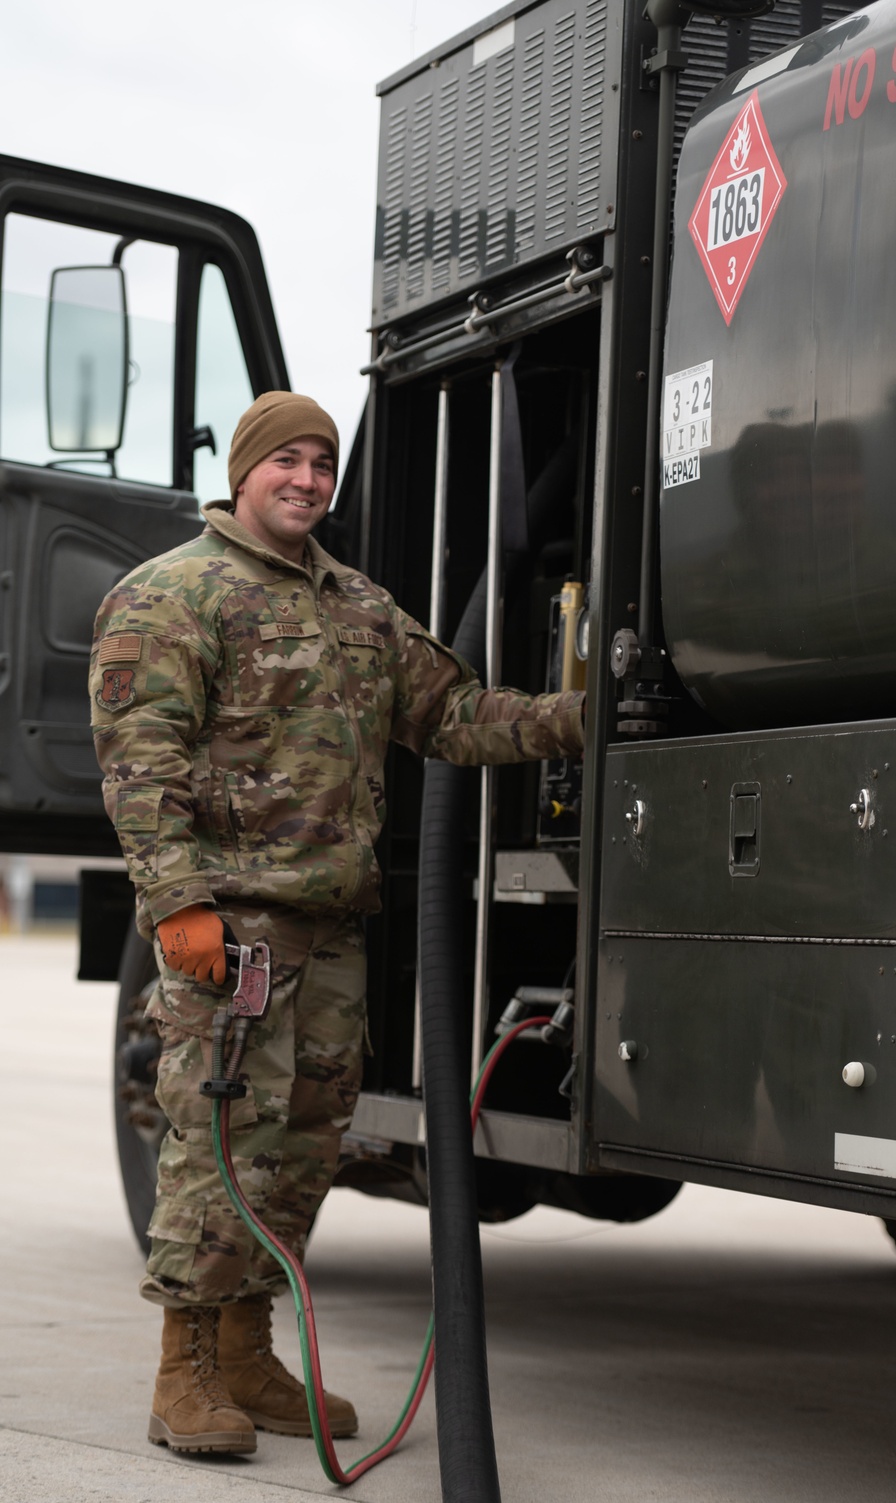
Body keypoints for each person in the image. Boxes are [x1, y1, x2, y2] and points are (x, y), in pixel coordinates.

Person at [90, 391, 585, 1458]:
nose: (307, 480)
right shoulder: (170, 595)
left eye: (322, 464)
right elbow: (143, 769)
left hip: (331, 935)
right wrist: (178, 909)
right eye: (287, 462)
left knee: (302, 1147)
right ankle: (184, 1372)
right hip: (231, 929)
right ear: (245, 471)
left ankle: (251, 1349)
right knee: (217, 1142)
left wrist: (572, 718)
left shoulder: (358, 605)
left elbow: (451, 716)